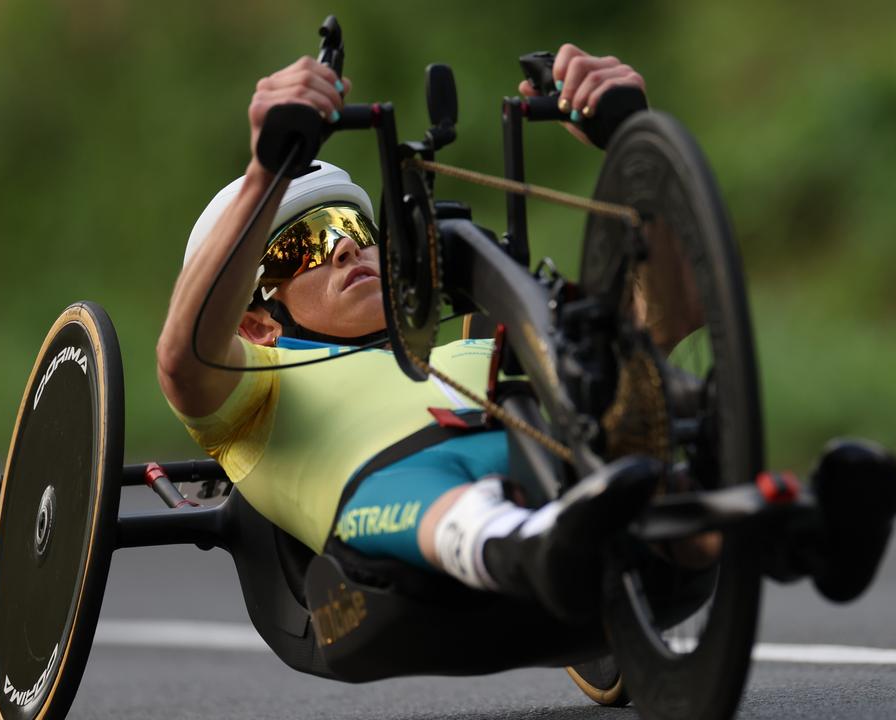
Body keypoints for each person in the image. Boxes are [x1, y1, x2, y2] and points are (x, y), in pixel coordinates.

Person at [158, 45, 653, 621]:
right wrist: (266, 172)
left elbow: (660, 322)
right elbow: (182, 359)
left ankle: (720, 528)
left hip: (549, 465)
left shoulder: (481, 336)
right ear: (256, 323)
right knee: (414, 487)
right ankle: (515, 542)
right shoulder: (257, 386)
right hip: (397, 505)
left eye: (349, 226)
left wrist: (637, 145)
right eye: (301, 248)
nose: (343, 247)